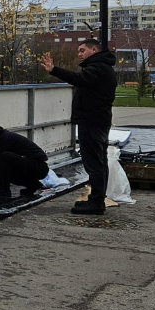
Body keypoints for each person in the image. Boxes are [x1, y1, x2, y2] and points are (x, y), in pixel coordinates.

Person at [41, 39, 117, 215]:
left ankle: (96, 202)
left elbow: (79, 79)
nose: (79, 53)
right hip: (98, 121)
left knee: (94, 163)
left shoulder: (98, 68)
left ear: (94, 49)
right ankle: (97, 200)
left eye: (82, 50)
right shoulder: (102, 67)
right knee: (99, 162)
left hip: (92, 121)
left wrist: (54, 70)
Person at [0, 124, 49, 198]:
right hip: (34, 167)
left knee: (5, 157)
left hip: (39, 167)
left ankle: (3, 190)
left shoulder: (5, 138)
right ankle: (33, 185)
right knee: (1, 169)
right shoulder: (0, 138)